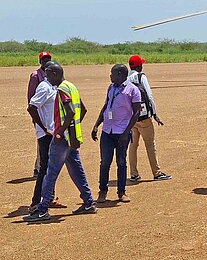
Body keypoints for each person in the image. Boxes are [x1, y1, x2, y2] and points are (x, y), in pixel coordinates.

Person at [23, 62, 96, 222]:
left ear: (55, 74)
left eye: (48, 75)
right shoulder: (72, 87)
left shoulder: (62, 89)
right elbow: (82, 110)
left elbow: (70, 112)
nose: (47, 78)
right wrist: (73, 130)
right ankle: (89, 202)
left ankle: (42, 210)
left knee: (51, 172)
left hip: (62, 139)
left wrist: (60, 132)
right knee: (76, 169)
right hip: (72, 137)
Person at [92, 64, 141, 203]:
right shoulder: (111, 88)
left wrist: (126, 132)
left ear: (120, 74)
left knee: (121, 162)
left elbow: (136, 112)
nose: (110, 76)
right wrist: (96, 124)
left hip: (122, 132)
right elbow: (106, 106)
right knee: (105, 162)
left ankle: (121, 192)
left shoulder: (133, 90)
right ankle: (102, 191)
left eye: (112, 73)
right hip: (107, 131)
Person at [26, 61, 66, 213]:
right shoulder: (44, 87)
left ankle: (49, 198)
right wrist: (43, 128)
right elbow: (31, 107)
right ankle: (36, 202)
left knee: (51, 167)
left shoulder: (53, 86)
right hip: (46, 135)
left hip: (53, 132)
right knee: (44, 168)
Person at [127, 55, 172, 181]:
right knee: (150, 144)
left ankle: (134, 174)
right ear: (139, 66)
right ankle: (156, 173)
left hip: (131, 118)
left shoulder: (126, 78)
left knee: (133, 145)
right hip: (144, 117)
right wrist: (155, 114)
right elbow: (149, 95)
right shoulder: (141, 77)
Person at [27, 51, 52, 177]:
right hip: (39, 113)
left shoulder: (51, 74)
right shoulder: (36, 75)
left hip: (49, 114)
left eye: (48, 59)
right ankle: (38, 168)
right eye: (44, 59)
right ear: (40, 61)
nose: (46, 61)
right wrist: (34, 116)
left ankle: (42, 166)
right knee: (42, 140)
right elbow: (31, 97)